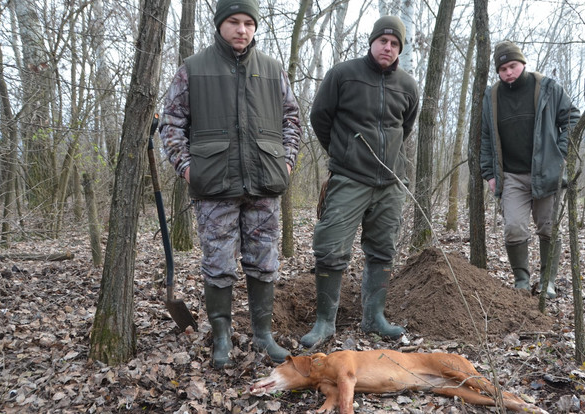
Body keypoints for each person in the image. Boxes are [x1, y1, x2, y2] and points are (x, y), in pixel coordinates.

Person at [158, 0, 301, 368]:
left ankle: (263, 335)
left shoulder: (272, 69)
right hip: (214, 186)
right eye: (234, 22)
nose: (242, 30)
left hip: (264, 184)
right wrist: (188, 168)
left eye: (249, 23)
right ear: (221, 24)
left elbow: (292, 119)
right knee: (218, 264)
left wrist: (285, 163)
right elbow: (171, 123)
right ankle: (220, 337)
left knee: (264, 263)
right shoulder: (194, 69)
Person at [301, 16, 419, 348]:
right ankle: (325, 322)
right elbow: (319, 117)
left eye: (395, 44)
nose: (388, 47)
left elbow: (405, 126)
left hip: (390, 182)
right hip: (349, 178)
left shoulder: (408, 86)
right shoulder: (343, 74)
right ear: (372, 42)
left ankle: (374, 318)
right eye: (383, 41)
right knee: (330, 248)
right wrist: (344, 152)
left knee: (382, 249)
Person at [480, 41, 580, 298]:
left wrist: (560, 154)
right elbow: (485, 136)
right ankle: (521, 281)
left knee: (548, 227)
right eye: (502, 69)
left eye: (512, 66)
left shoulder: (546, 87)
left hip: (546, 173)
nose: (508, 73)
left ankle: (548, 281)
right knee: (514, 227)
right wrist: (489, 173)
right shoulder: (491, 96)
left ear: (522, 63)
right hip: (511, 175)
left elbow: (572, 117)